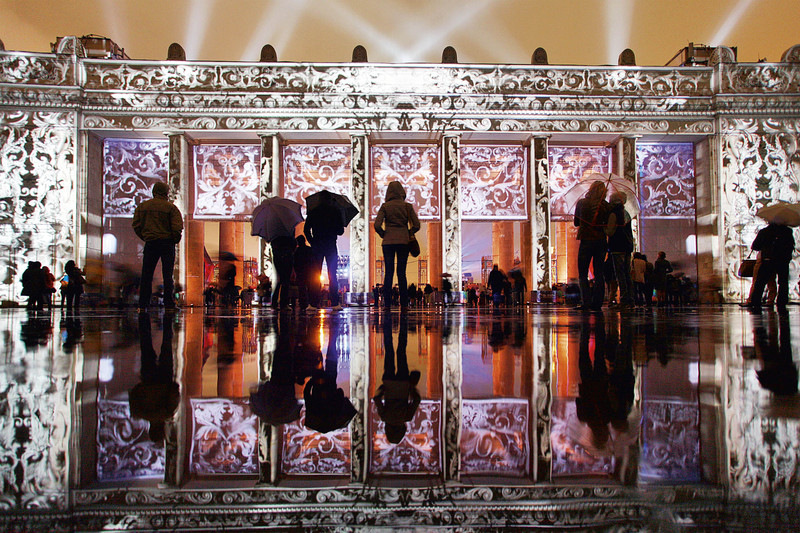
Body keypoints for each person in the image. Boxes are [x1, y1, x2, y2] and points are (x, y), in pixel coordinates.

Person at [132, 181, 183, 310]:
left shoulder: (143, 207)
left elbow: (136, 225)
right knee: (168, 276)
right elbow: (177, 228)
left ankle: (143, 303)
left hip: (151, 243)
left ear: (154, 191)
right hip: (167, 243)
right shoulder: (171, 208)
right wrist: (174, 240)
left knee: (147, 275)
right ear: (166, 192)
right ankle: (169, 303)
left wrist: (145, 237)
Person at [374, 181, 421, 311]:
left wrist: (384, 234)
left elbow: (377, 225)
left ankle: (387, 304)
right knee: (401, 273)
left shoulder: (385, 206)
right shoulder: (407, 206)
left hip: (388, 242)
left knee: (388, 273)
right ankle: (404, 304)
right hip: (403, 242)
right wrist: (409, 232)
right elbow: (417, 225)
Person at [373, 315, 420, 444]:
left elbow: (417, 399)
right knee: (389, 350)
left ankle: (403, 324)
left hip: (403, 382)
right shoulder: (385, 417)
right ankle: (387, 324)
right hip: (389, 382)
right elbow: (377, 399)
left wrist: (411, 388)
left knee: (401, 351)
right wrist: (383, 389)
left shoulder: (407, 417)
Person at [305, 190, 345, 310]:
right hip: (330, 244)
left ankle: (313, 303)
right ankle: (335, 303)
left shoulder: (313, 211)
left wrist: (312, 241)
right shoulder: (335, 211)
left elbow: (306, 229)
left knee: (315, 274)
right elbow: (341, 231)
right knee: (332, 274)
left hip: (317, 244)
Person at [574, 180, 610, 311]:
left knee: (583, 273)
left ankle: (586, 302)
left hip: (586, 239)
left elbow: (576, 222)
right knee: (599, 272)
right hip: (601, 240)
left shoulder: (582, 203)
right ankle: (598, 302)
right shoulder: (606, 206)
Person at [748, 221, 795, 313]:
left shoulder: (764, 231)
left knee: (760, 282)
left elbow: (755, 246)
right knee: (783, 282)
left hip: (768, 259)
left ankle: (756, 301)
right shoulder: (787, 231)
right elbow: (791, 245)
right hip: (782, 260)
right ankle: (782, 301)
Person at [605, 192, 635, 309]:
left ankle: (623, 299)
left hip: (617, 246)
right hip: (627, 246)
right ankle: (630, 300)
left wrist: (603, 228)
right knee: (627, 274)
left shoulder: (613, 214)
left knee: (620, 274)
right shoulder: (626, 213)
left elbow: (610, 232)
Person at [270, 235, 296, 310]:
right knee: (285, 282)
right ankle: (283, 303)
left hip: (278, 259)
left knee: (279, 281)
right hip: (287, 259)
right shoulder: (289, 236)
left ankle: (274, 302)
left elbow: (273, 248)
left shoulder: (275, 237)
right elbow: (294, 245)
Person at [293, 235, 316, 311]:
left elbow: (295, 263)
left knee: (301, 288)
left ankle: (303, 303)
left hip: (300, 272)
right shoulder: (309, 250)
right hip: (309, 271)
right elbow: (313, 261)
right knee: (310, 287)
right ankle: (311, 302)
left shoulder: (296, 251)